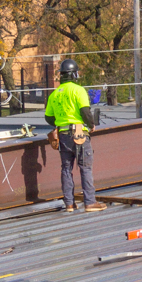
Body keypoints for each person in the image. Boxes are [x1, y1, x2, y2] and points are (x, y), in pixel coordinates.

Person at [43, 57, 105, 212]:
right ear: (74, 74)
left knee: (66, 168)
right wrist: (91, 125)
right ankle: (90, 202)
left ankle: (69, 203)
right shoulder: (78, 90)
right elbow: (85, 111)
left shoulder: (54, 94)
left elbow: (48, 117)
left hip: (63, 135)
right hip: (79, 134)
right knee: (85, 167)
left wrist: (61, 123)